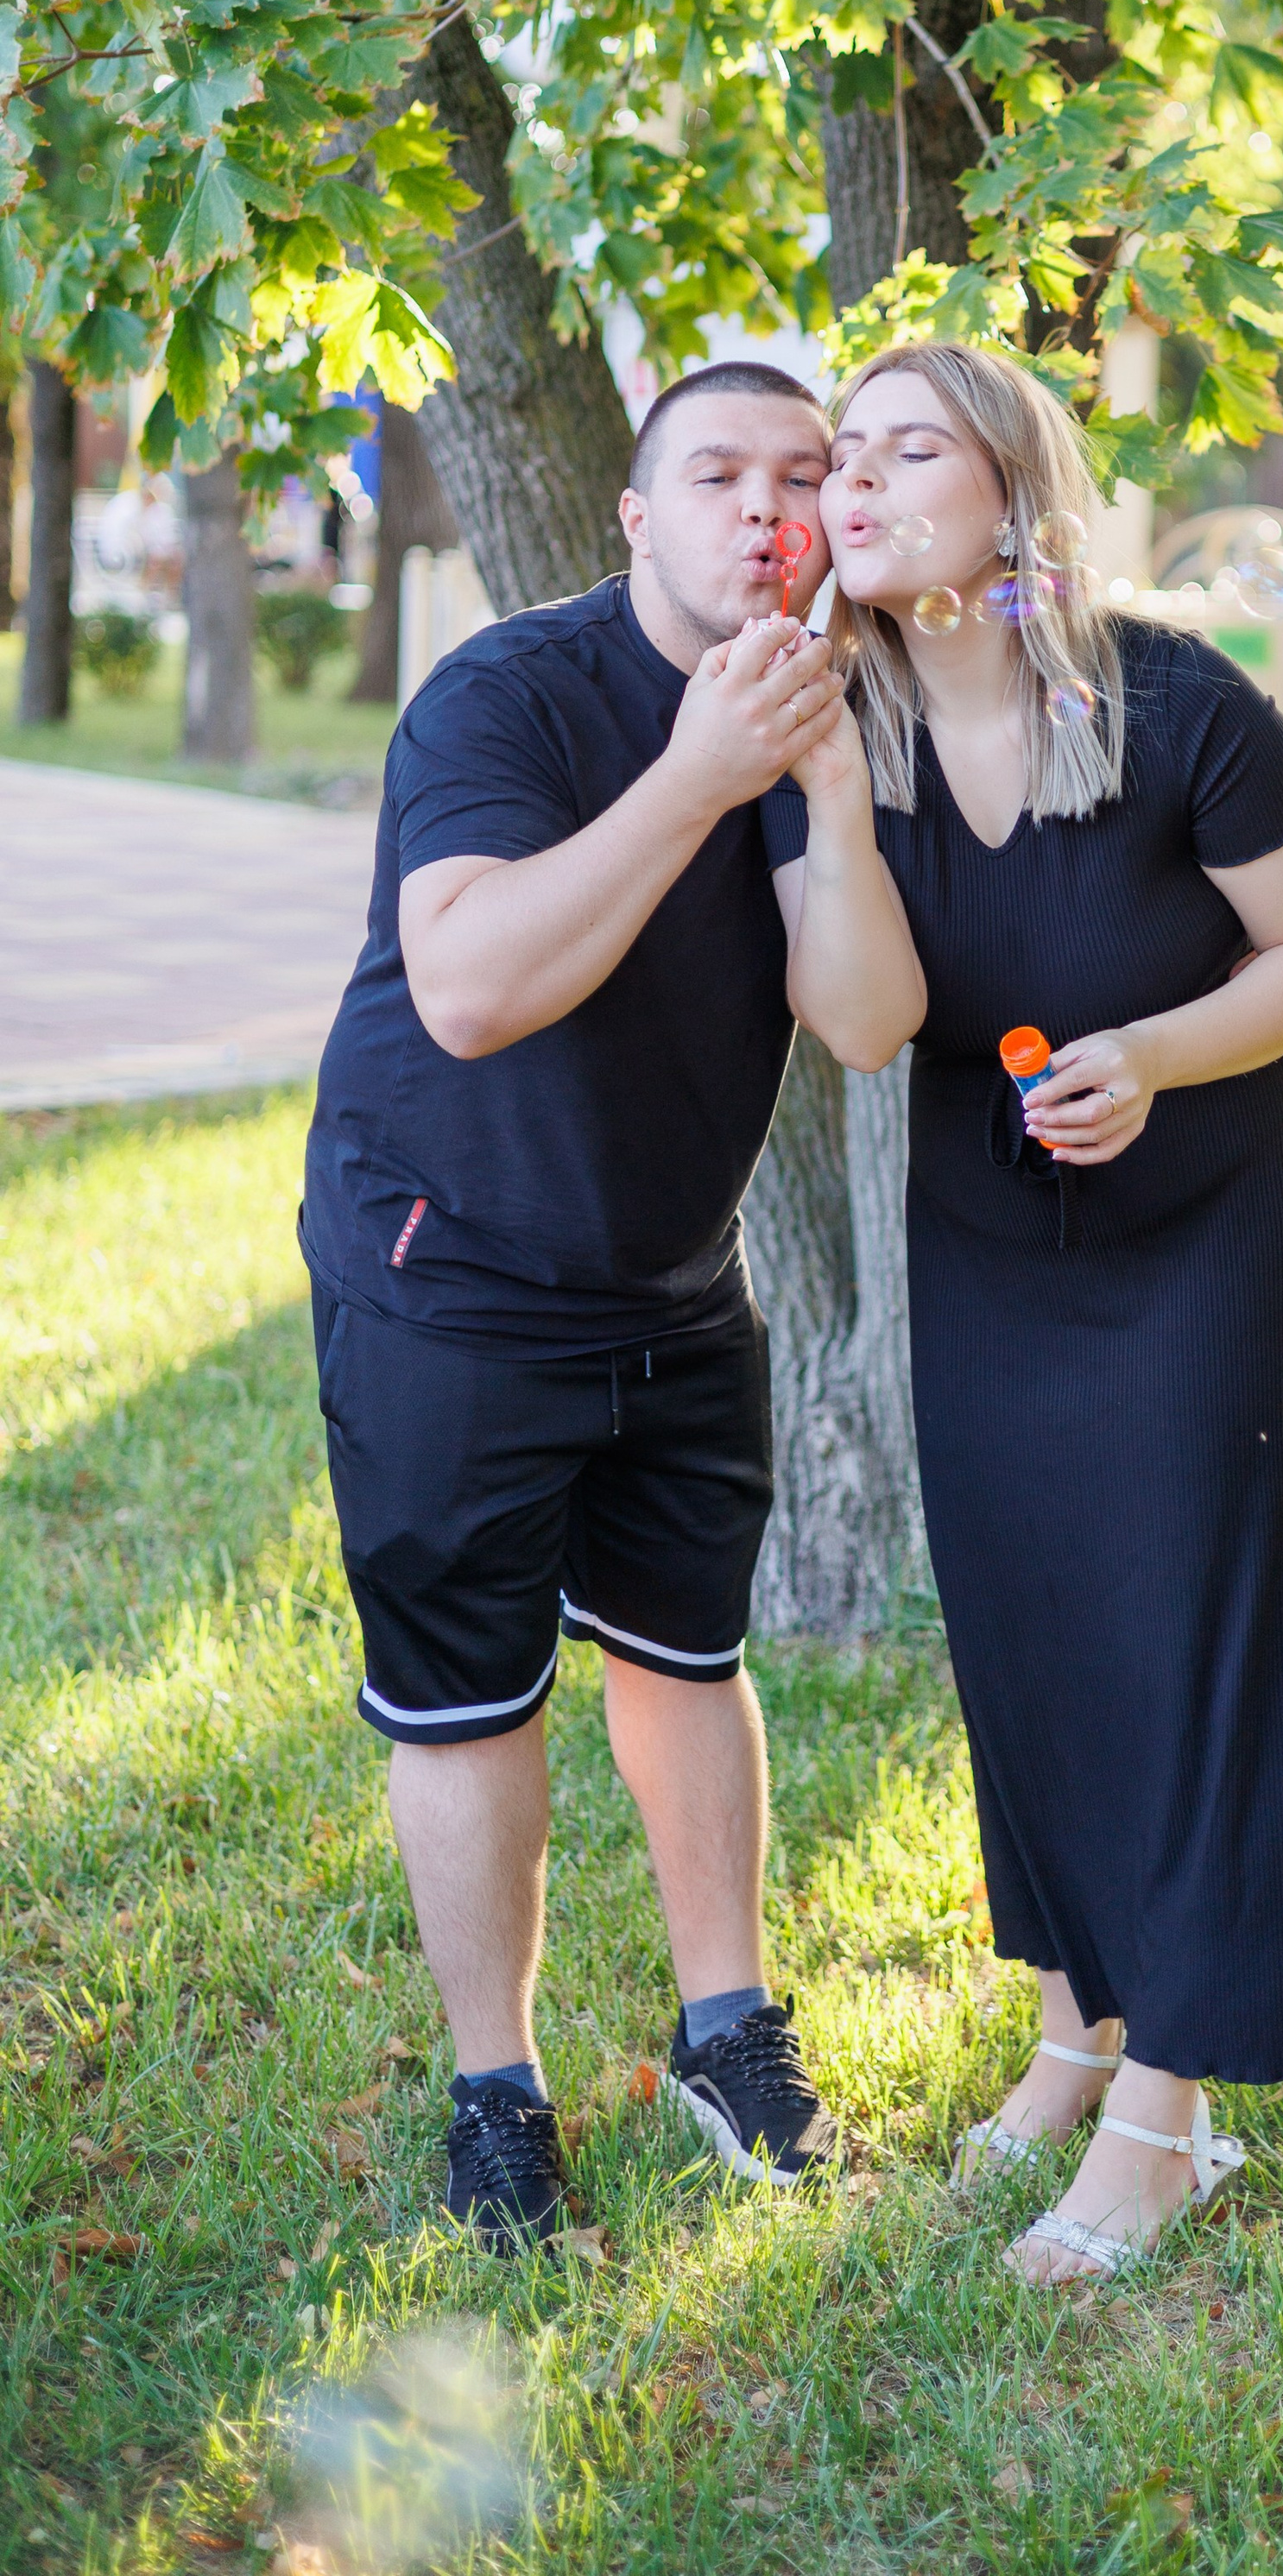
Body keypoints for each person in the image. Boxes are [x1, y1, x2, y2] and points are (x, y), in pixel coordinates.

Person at [762, 340, 1283, 2285]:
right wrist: (824, 803)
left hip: (1204, 1236)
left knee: (1187, 1637)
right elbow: (866, 1029)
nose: (853, 483)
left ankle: (1165, 2116)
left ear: (1010, 487)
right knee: (1031, 1632)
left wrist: (1151, 1054)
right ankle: (1072, 2029)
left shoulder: (1183, 707)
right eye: (834, 458)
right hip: (985, 1241)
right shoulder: (833, 730)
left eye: (901, 448)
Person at [300, 362, 851, 2251]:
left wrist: (817, 777)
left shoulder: (810, 705)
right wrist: (701, 777)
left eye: (800, 474)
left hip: (674, 1271)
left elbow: (859, 1011)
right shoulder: (507, 695)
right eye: (716, 473)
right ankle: (496, 2093)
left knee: (687, 1653)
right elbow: (466, 990)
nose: (761, 509)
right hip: (446, 1265)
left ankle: (725, 2031)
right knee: (466, 1698)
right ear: (634, 516)